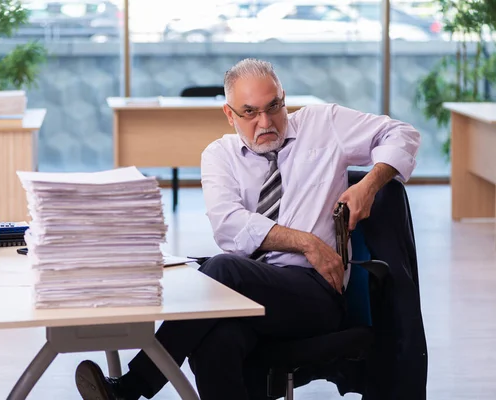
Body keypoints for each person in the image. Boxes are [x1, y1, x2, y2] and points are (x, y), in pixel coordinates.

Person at [74, 58, 421, 400]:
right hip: (246, 295)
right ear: (229, 114)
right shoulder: (219, 155)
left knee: (222, 269)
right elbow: (229, 227)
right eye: (250, 113)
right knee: (217, 338)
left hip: (316, 294)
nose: (266, 122)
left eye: (274, 107)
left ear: (284, 98)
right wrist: (307, 242)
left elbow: (402, 133)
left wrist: (369, 185)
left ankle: (132, 388)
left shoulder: (323, 124)